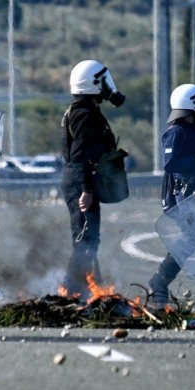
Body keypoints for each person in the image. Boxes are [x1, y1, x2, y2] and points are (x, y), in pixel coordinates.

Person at [60, 59, 125, 297]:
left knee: (89, 238)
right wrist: (86, 190)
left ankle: (92, 287)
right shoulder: (84, 114)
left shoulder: (84, 110)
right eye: (104, 81)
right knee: (85, 239)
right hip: (80, 181)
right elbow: (79, 156)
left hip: (80, 178)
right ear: (93, 83)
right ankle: (69, 290)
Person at [148, 83, 195, 307]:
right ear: (191, 105)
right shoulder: (177, 131)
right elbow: (170, 164)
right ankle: (159, 283)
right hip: (184, 197)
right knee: (191, 239)